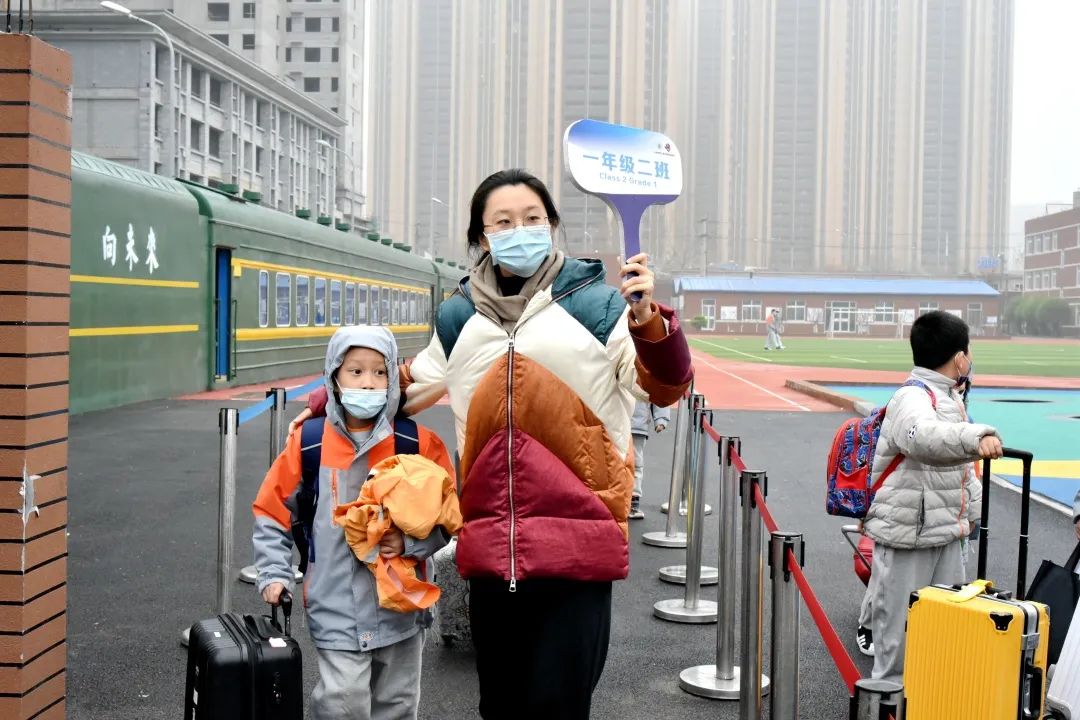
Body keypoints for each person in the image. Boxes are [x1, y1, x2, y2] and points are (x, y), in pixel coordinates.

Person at [291, 169, 693, 718]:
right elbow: (402, 382)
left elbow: (664, 387)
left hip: (577, 548)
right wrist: (324, 406)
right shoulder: (460, 318)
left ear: (552, 226)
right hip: (491, 552)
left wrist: (648, 319)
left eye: (532, 218)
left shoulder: (599, 307)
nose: (519, 230)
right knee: (499, 704)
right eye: (502, 222)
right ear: (482, 237)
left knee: (558, 705)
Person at [253, 325, 455, 720]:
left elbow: (448, 516)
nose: (368, 383)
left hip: (402, 611)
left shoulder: (416, 443)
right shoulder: (309, 442)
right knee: (340, 705)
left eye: (380, 372)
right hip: (335, 608)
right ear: (334, 376)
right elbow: (272, 510)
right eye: (355, 371)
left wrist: (412, 545)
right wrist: (273, 572)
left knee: (396, 707)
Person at [862, 310, 1003, 684]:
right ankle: (887, 706)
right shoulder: (913, 396)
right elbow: (921, 438)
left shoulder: (947, 397)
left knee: (942, 636)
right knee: (898, 647)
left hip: (943, 531)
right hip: (911, 534)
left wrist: (969, 516)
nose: (970, 359)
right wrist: (976, 437)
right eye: (968, 351)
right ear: (959, 357)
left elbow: (957, 471)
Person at [628, 400, 671, 519]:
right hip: (618, 422)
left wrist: (661, 419)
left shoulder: (646, 380)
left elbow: (659, 392)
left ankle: (633, 500)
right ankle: (620, 500)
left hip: (637, 424)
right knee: (615, 461)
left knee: (636, 464)